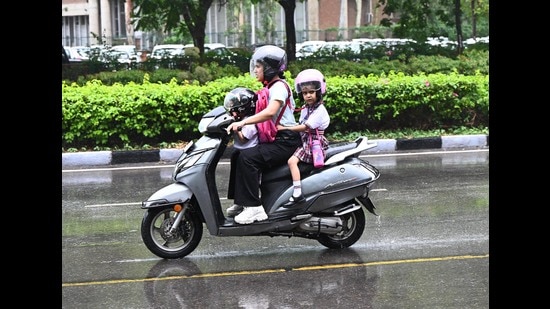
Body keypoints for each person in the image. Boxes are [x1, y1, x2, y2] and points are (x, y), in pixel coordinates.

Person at [225, 45, 301, 224]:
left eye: (258, 66)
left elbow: (270, 112)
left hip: (286, 141)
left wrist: (243, 122)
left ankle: (255, 208)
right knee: (237, 154)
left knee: (248, 158)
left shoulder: (279, 87)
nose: (255, 70)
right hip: (278, 138)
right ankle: (242, 202)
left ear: (269, 68)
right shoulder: (271, 87)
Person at [279, 69, 330, 207]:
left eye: (311, 92)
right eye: (305, 93)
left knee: (291, 162)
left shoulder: (320, 110)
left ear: (318, 92)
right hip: (305, 140)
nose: (308, 95)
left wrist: (284, 128)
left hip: (314, 143)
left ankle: (297, 193)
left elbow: (305, 127)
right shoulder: (306, 108)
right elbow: (299, 123)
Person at [223, 87, 259, 215]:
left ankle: (248, 204)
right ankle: (238, 202)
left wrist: (236, 128)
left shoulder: (251, 121)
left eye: (236, 106)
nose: (233, 109)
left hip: (248, 152)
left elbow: (243, 139)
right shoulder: (240, 119)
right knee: (235, 173)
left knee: (243, 176)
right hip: (239, 152)